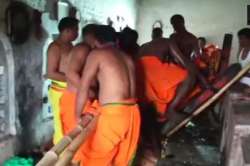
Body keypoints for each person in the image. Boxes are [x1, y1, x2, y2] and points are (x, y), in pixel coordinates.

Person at [76, 25, 141, 166]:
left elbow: (83, 87)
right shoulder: (126, 56)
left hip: (115, 113)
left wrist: (77, 116)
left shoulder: (97, 54)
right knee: (119, 160)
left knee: (95, 159)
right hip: (132, 114)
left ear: (95, 41)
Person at [46, 17, 78, 144]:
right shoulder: (55, 47)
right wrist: (74, 79)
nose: (77, 33)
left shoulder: (70, 45)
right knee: (60, 125)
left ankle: (70, 153)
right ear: (67, 30)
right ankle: (60, 156)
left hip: (71, 89)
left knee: (71, 123)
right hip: (60, 90)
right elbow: (51, 73)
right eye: (76, 29)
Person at [170, 14, 211, 89]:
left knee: (200, 69)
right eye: (173, 24)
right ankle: (207, 85)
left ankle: (206, 85)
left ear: (182, 22)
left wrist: (205, 60)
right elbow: (197, 55)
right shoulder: (189, 37)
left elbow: (197, 55)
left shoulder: (190, 38)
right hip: (179, 64)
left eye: (176, 23)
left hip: (183, 65)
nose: (174, 26)